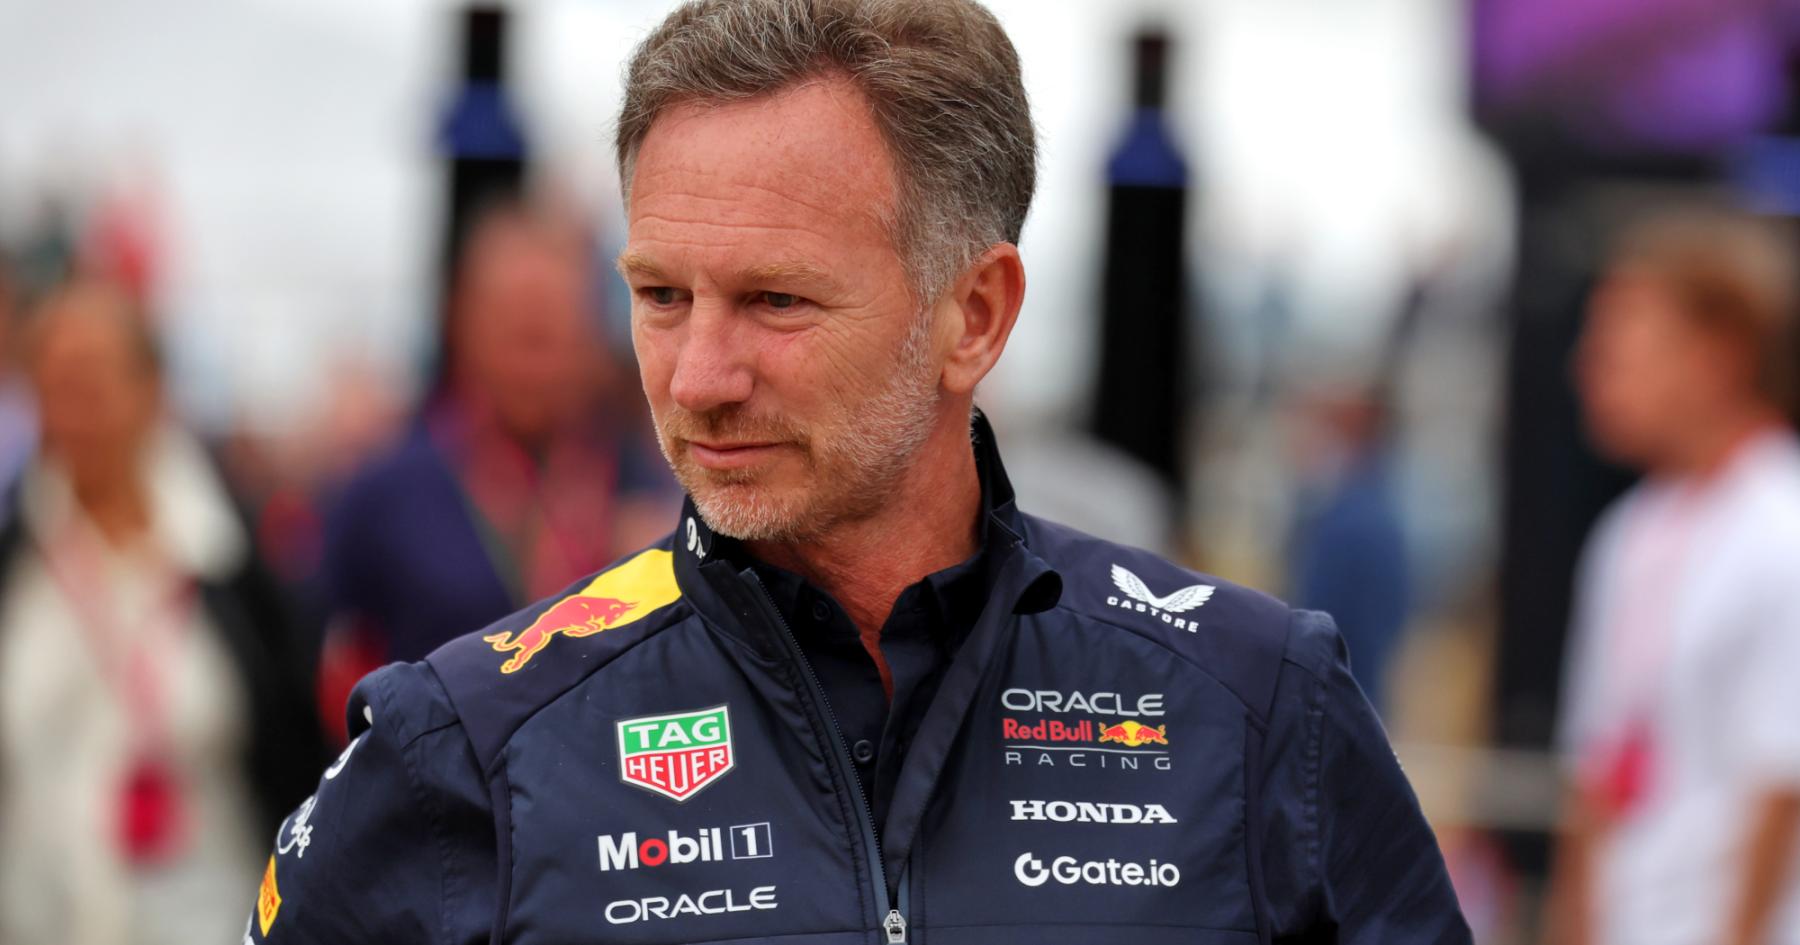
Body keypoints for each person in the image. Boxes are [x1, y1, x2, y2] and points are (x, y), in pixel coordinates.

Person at [245, 2, 1469, 942]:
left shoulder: (1258, 708)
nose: (697, 377)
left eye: (776, 301)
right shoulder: (466, 740)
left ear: (974, 316)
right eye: (661, 296)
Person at [0, 279, 324, 945]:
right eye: (57, 386)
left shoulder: (227, 557)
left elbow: (292, 741)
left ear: (151, 389)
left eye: (95, 382)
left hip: (206, 914)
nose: (76, 412)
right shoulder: (18, 557)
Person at [1545, 209, 1800, 945]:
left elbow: (1781, 789)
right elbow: (1593, 780)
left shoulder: (1782, 530)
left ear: (1718, 354)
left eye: (1622, 343)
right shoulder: (1630, 531)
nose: (1589, 368)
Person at [316, 203, 676, 696]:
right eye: (517, 332)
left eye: (554, 330)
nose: (536, 363)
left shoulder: (649, 483)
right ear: (460, 321)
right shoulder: (383, 494)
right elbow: (329, 671)